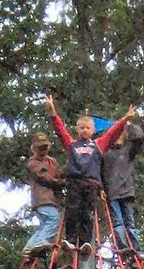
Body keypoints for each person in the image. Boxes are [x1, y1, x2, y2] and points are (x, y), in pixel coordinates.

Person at [45, 95, 134, 257]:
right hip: (74, 182)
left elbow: (112, 134)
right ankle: (71, 240)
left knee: (87, 211)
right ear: (77, 130)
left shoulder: (98, 145)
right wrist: (52, 112)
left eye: (88, 128)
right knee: (72, 211)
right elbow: (60, 131)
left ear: (93, 130)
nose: (85, 130)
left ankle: (86, 240)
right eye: (82, 127)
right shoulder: (72, 144)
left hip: (91, 183)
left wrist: (124, 120)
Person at [102, 120, 144, 256]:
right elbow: (98, 173)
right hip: (112, 193)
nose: (119, 138)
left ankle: (135, 248)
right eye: (116, 135)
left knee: (129, 221)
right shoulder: (105, 154)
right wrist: (101, 189)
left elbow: (139, 139)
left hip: (126, 192)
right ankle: (122, 246)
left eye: (121, 135)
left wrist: (130, 126)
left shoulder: (127, 152)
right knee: (118, 221)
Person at [23, 132, 64, 256]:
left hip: (52, 199)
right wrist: (62, 183)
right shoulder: (33, 163)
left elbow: (59, 174)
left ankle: (29, 247)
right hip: (42, 199)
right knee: (53, 219)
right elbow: (45, 178)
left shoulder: (52, 161)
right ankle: (40, 242)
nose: (43, 150)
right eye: (40, 148)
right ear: (34, 148)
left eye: (45, 147)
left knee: (44, 225)